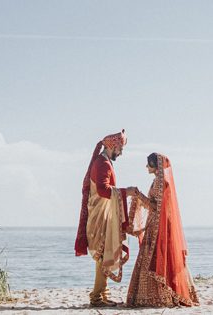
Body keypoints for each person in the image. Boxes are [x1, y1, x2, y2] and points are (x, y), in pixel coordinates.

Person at [124, 152, 199, 307]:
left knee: (158, 256)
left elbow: (155, 206)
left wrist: (138, 195)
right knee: (162, 256)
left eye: (148, 164)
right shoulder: (159, 181)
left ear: (155, 165)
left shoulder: (160, 182)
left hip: (159, 226)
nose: (146, 167)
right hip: (157, 224)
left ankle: (161, 296)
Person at [75, 129, 131, 307]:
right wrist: (126, 192)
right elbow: (102, 190)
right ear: (112, 146)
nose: (121, 152)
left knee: (105, 253)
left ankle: (103, 294)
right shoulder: (103, 164)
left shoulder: (104, 162)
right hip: (100, 216)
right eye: (120, 148)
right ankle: (97, 298)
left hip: (103, 214)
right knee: (101, 255)